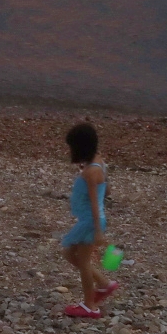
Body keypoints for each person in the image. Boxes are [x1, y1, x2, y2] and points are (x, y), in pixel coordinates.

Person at [59, 121, 117, 318]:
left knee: (83, 262)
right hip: (89, 220)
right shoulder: (99, 162)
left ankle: (89, 306)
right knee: (69, 254)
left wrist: (98, 231)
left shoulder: (91, 172)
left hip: (90, 222)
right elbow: (106, 190)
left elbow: (94, 202)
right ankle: (104, 284)